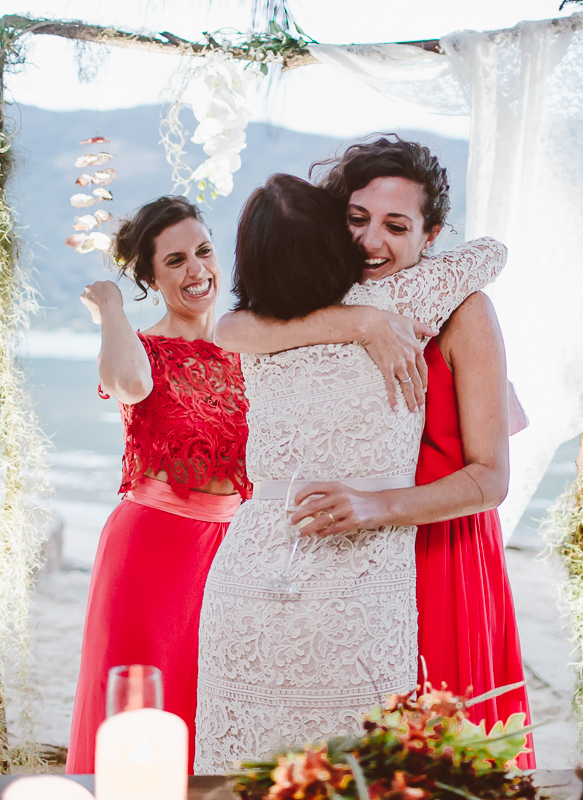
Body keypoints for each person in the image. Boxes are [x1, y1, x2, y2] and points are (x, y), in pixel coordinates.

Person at [214, 137, 534, 768]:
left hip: (440, 537)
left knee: (432, 750)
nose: (371, 242)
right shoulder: (326, 299)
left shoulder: (464, 311)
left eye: (396, 226)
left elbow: (491, 477)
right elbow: (231, 327)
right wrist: (357, 322)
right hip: (354, 556)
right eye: (356, 220)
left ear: (430, 233)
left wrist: (374, 503)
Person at [66, 196, 250, 775]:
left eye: (203, 251)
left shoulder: (252, 345)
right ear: (150, 276)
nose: (196, 270)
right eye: (174, 261)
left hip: (232, 553)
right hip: (151, 548)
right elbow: (126, 381)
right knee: (139, 708)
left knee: (218, 705)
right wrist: (112, 307)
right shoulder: (140, 349)